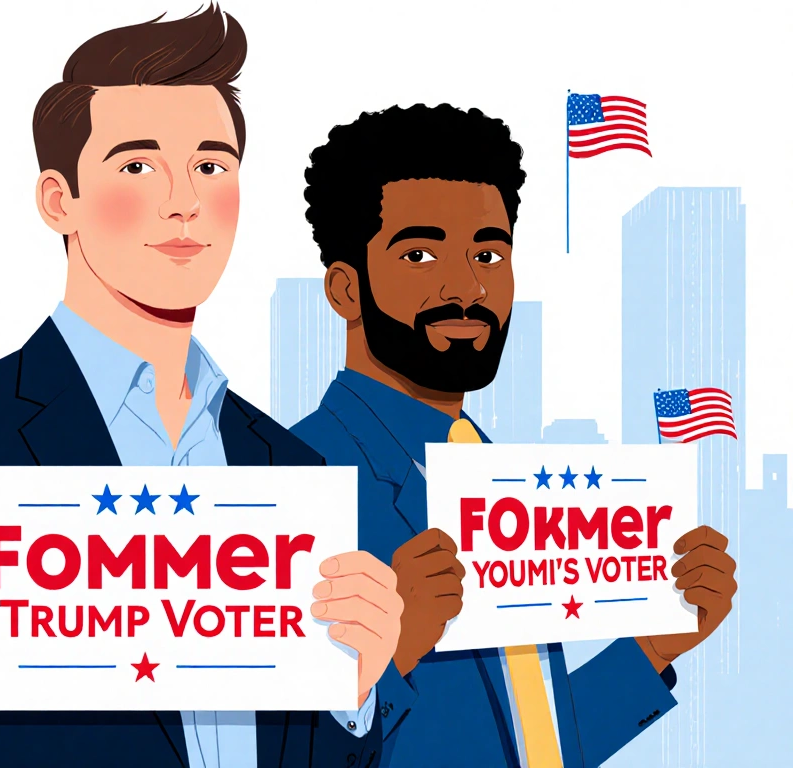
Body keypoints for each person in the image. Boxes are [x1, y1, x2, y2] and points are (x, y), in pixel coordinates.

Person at [0, 7, 401, 768]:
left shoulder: (290, 470)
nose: (184, 201)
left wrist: (353, 695)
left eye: (211, 166)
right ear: (57, 200)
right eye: (137, 166)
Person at [289, 103, 738, 767]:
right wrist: (392, 653)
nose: (467, 287)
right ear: (345, 290)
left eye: (488, 254)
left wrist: (651, 650)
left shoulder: (493, 474)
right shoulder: (292, 482)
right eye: (420, 254)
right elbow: (262, 746)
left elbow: (530, 742)